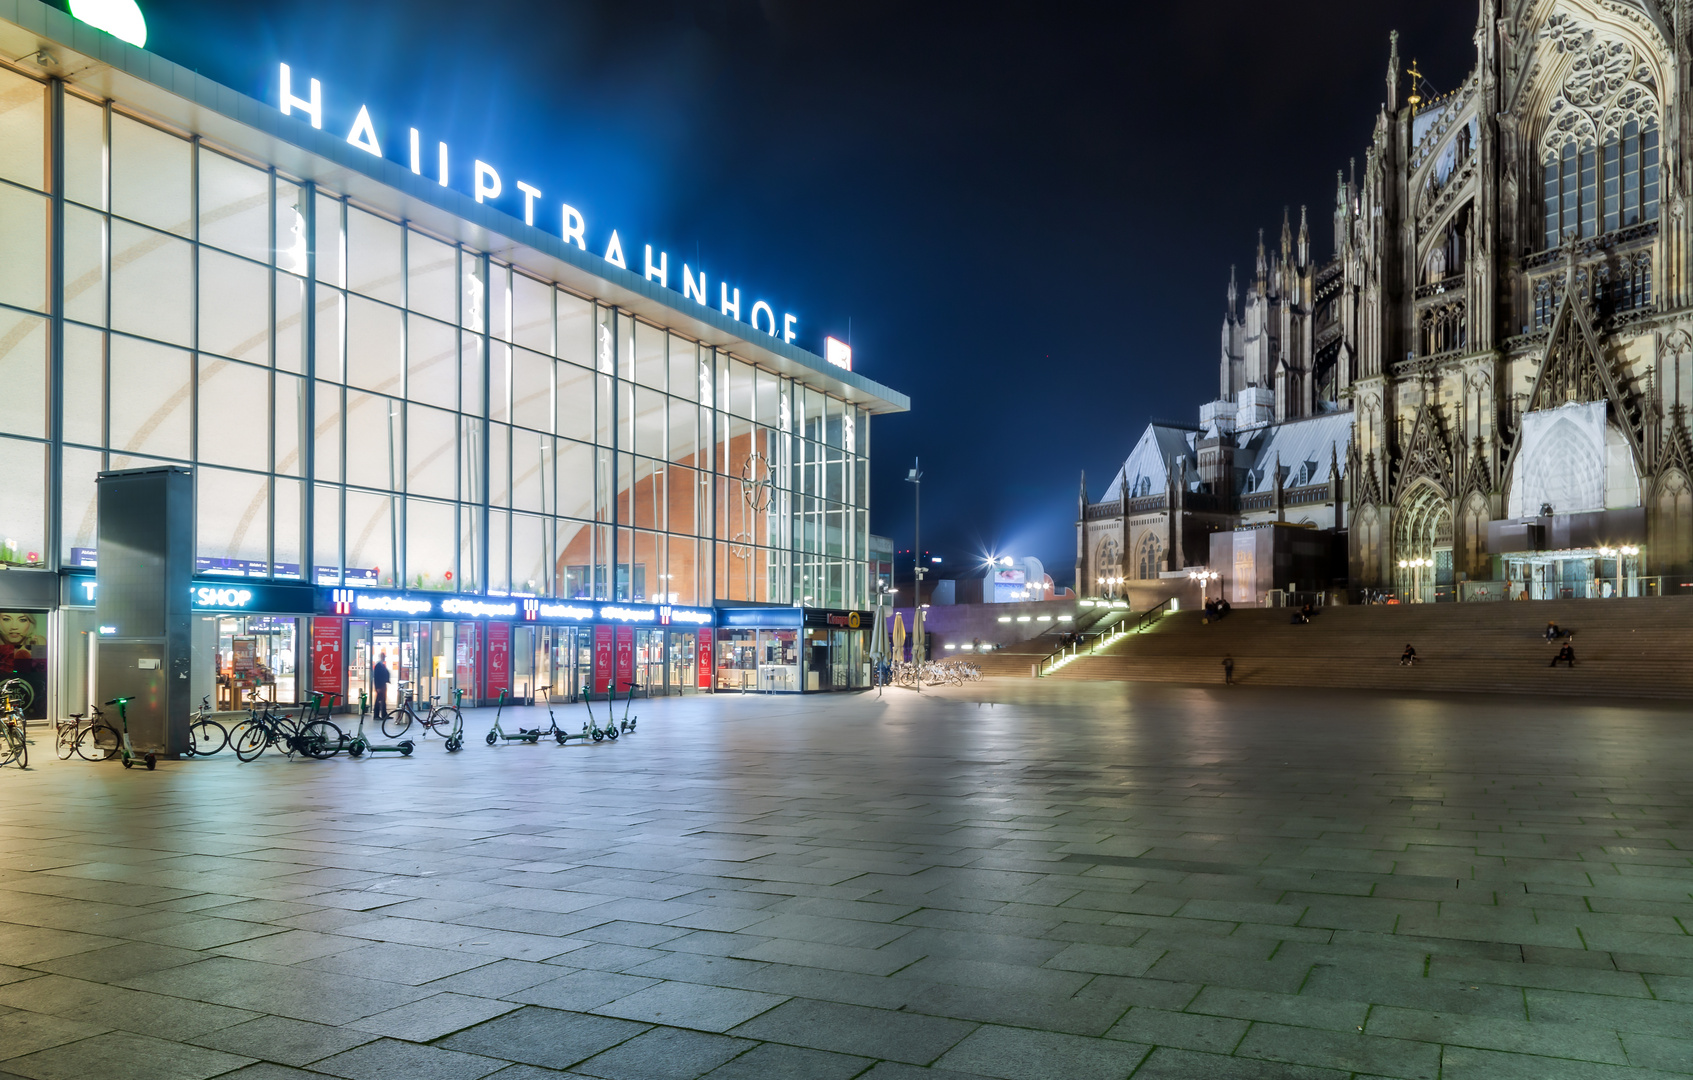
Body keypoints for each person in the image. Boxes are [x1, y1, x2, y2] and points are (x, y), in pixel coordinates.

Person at [372, 651, 391, 721]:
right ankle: (376, 715)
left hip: (383, 685)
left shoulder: (382, 665)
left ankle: (384, 714)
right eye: (383, 656)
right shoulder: (378, 665)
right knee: (378, 700)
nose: (384, 658)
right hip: (380, 686)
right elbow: (377, 677)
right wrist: (377, 687)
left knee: (383, 700)